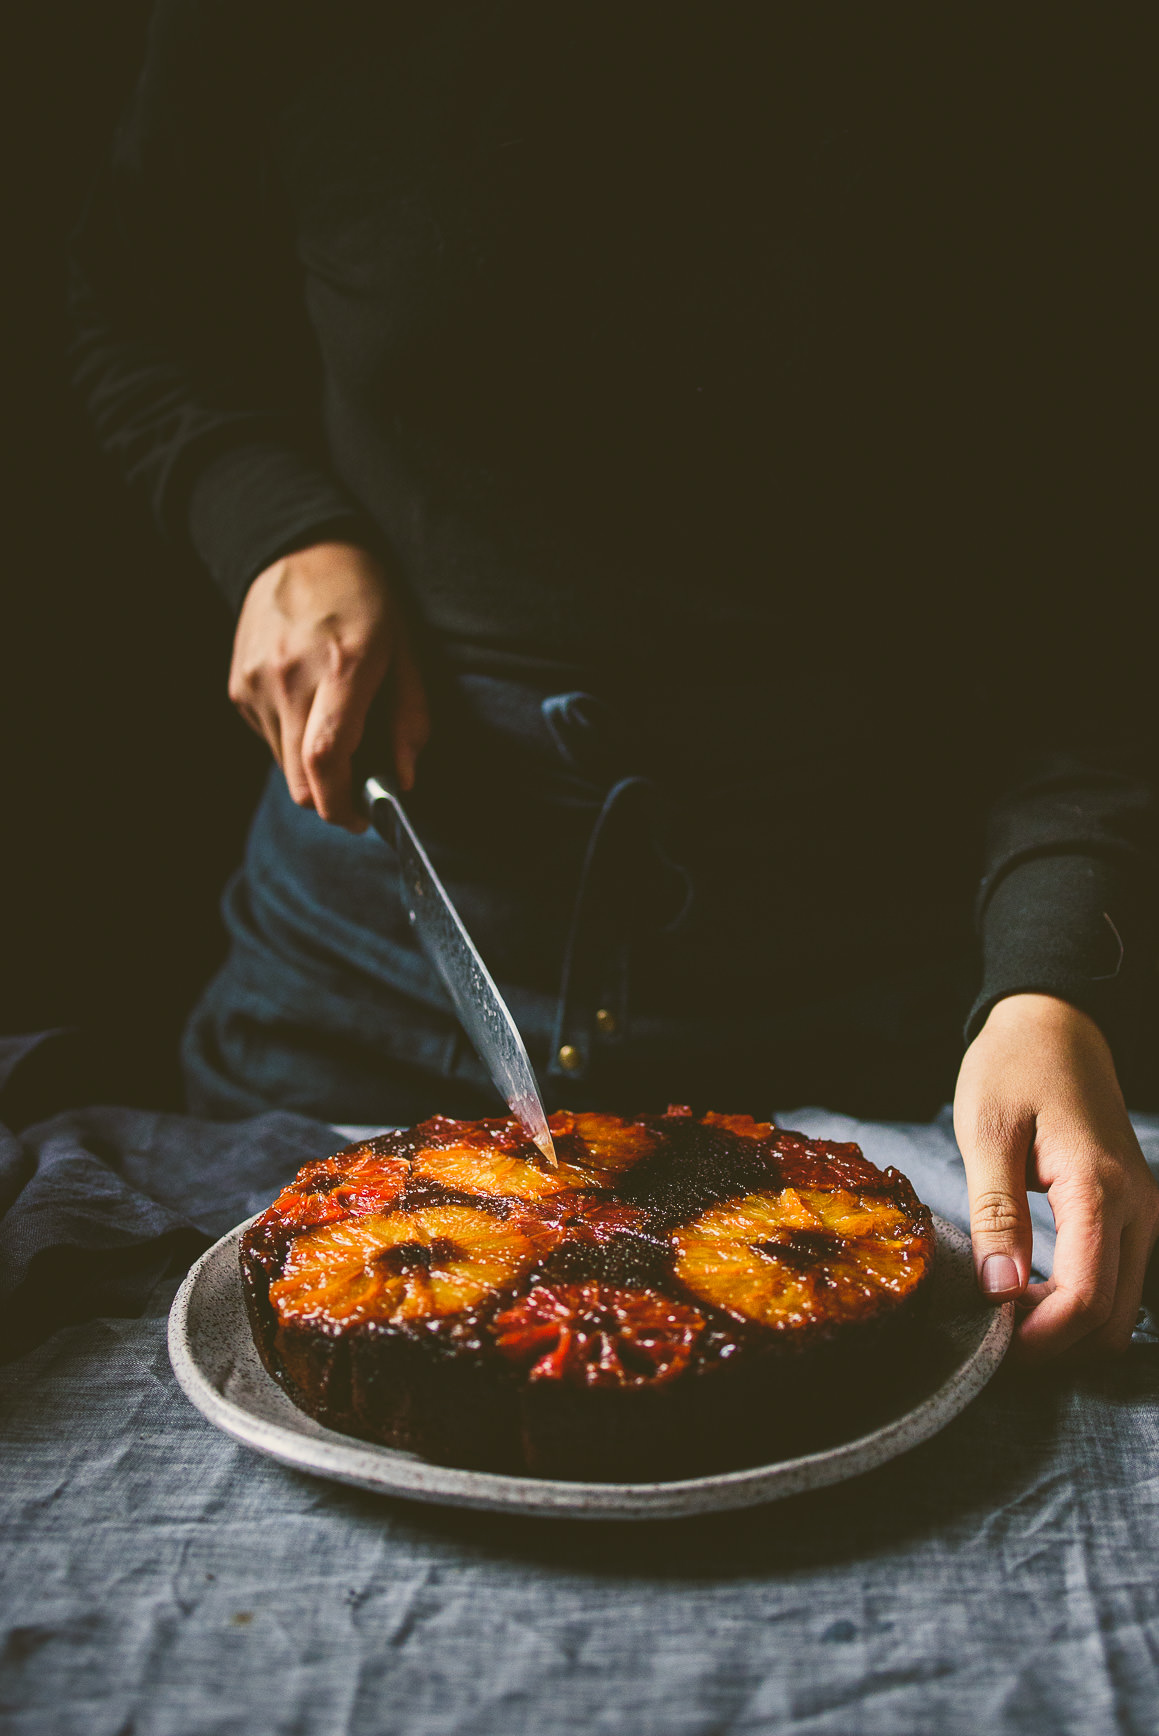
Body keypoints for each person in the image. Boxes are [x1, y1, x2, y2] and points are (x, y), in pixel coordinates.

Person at [70, 1, 1158, 1361]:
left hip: (880, 1009)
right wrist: (273, 529)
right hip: (370, 960)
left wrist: (1050, 979)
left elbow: (1099, 584)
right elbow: (137, 302)